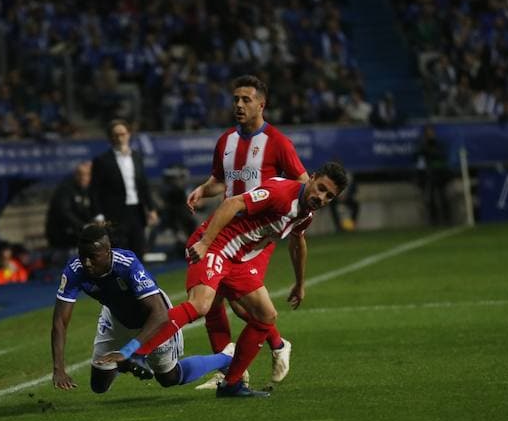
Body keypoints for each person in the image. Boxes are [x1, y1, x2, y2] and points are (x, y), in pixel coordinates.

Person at [100, 163, 349, 397]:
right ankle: (136, 353)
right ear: (312, 177)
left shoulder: (305, 214)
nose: (322, 198)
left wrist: (300, 283)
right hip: (217, 245)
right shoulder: (282, 193)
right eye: (321, 189)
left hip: (238, 259)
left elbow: (297, 242)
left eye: (329, 197)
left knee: (266, 316)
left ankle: (231, 383)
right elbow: (233, 203)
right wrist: (206, 242)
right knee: (201, 305)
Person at [185, 75, 308, 389]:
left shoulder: (278, 143)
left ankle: (271, 349)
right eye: (236, 99)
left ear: (261, 104)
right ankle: (237, 367)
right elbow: (220, 180)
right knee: (215, 302)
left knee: (243, 305)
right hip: (226, 229)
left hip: (255, 238)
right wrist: (203, 189)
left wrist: (295, 221)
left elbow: (304, 183)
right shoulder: (226, 140)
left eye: (246, 100)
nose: (239, 105)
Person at [52, 223, 235, 394]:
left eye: (93, 256)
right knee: (99, 386)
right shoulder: (75, 270)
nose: (87, 262)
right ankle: (126, 365)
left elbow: (160, 314)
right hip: (116, 319)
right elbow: (60, 321)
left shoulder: (127, 264)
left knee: (169, 378)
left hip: (152, 321)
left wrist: (129, 350)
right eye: (82, 255)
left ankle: (227, 356)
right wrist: (59, 368)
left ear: (108, 252)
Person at [90, 119, 157, 258]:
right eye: (116, 135)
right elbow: (95, 189)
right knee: (118, 253)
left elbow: (143, 185)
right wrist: (98, 214)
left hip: (136, 211)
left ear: (129, 134)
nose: (120, 137)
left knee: (139, 250)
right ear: (110, 137)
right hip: (114, 213)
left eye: (123, 133)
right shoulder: (102, 160)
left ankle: (137, 280)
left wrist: (151, 209)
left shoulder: (137, 157)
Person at [45, 161, 93, 253]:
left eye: (87, 175)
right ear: (76, 175)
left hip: (77, 235)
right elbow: (64, 211)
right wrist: (83, 225)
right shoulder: (66, 188)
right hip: (62, 236)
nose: (84, 178)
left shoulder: (87, 190)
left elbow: (86, 210)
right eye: (80, 174)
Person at [416, 124, 451, 225]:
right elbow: (418, 155)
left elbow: (441, 155)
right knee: (430, 197)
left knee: (443, 196)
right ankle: (433, 219)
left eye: (431, 132)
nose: (430, 134)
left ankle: (446, 217)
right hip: (429, 174)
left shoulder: (438, 144)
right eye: (428, 132)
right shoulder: (423, 145)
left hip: (440, 173)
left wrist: (430, 153)